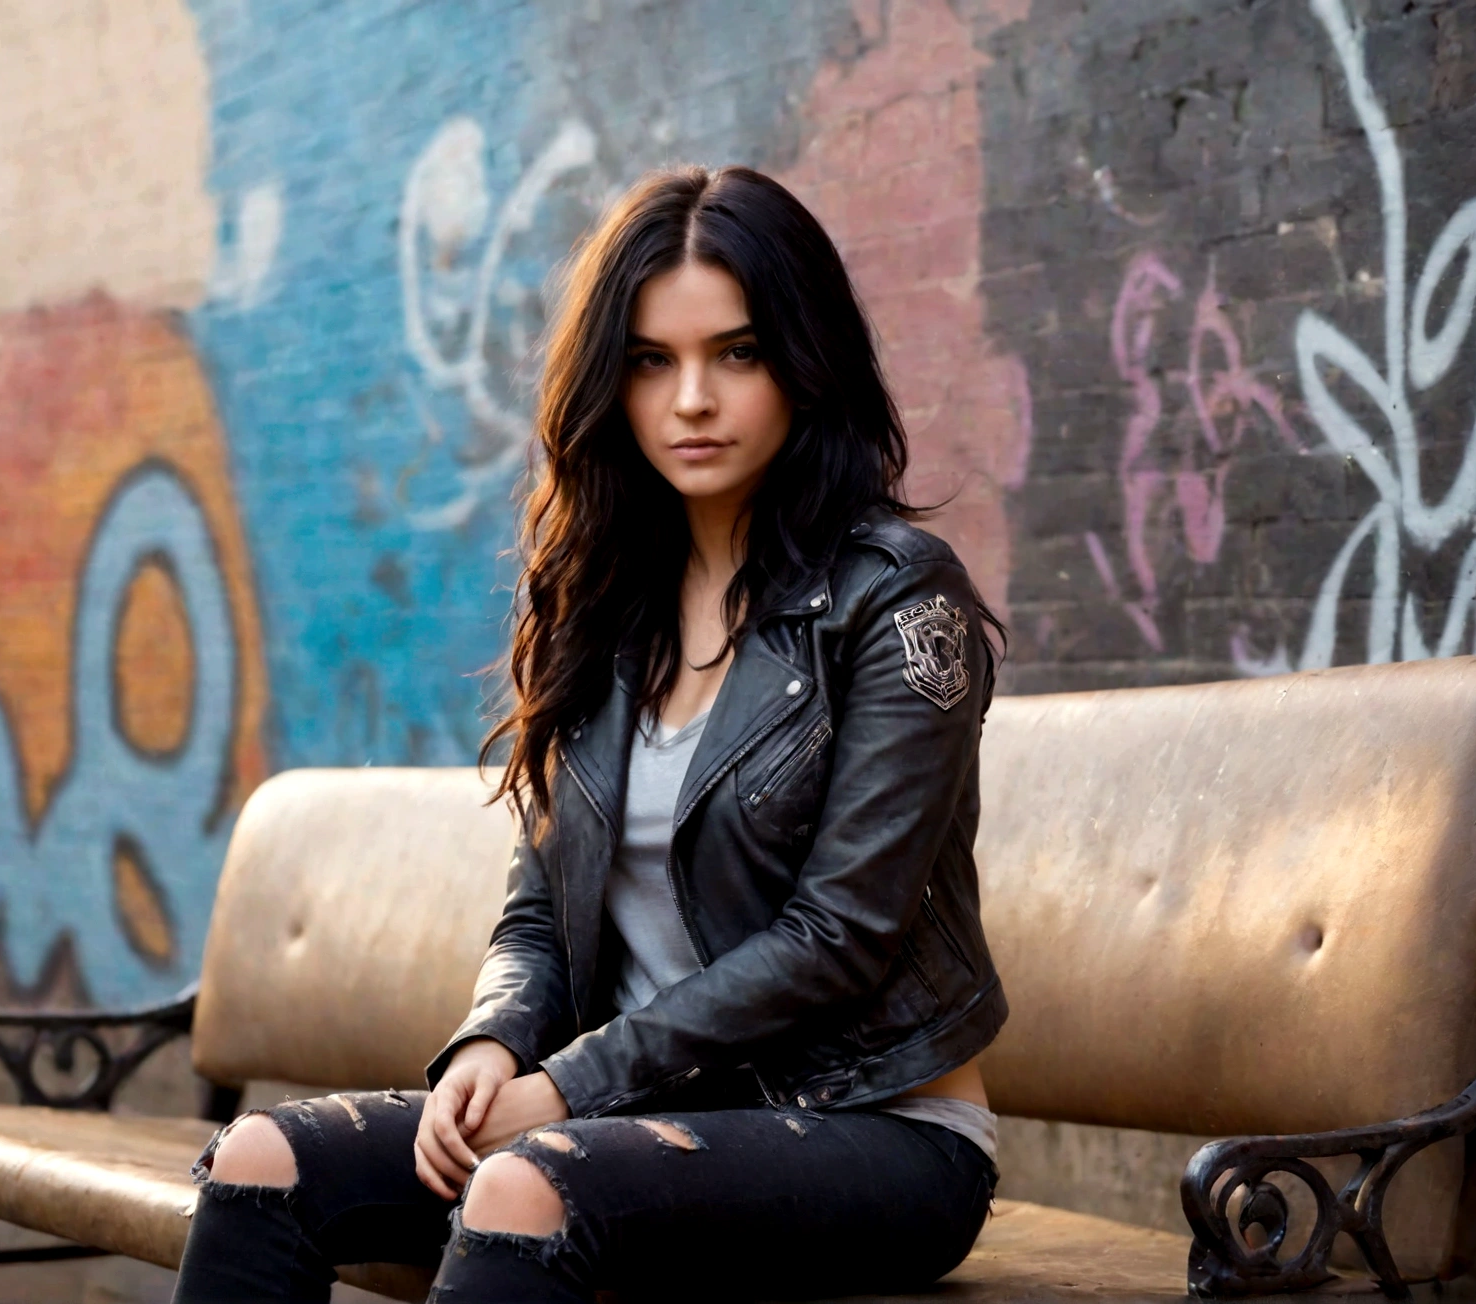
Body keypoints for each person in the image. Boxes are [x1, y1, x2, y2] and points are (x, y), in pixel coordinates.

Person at [171, 163, 1008, 1303]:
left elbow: (839, 935)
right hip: (626, 1115)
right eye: (651, 362)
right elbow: (539, 911)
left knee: (523, 1187)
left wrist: (567, 1084)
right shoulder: (605, 602)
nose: (692, 400)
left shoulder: (898, 601)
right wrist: (491, 1044)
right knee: (261, 1160)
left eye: (738, 353)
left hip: (875, 1128)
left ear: (805, 365)